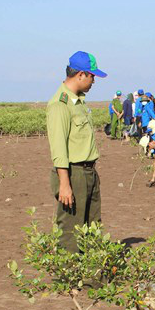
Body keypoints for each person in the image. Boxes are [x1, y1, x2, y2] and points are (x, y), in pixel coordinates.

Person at [46, 51, 106, 253]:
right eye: (92, 76)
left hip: (88, 172)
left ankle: (91, 280)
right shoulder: (59, 104)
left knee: (92, 225)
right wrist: (65, 184)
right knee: (71, 230)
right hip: (73, 173)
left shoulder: (78, 101)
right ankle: (68, 282)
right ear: (81, 74)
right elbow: (59, 147)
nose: (93, 81)